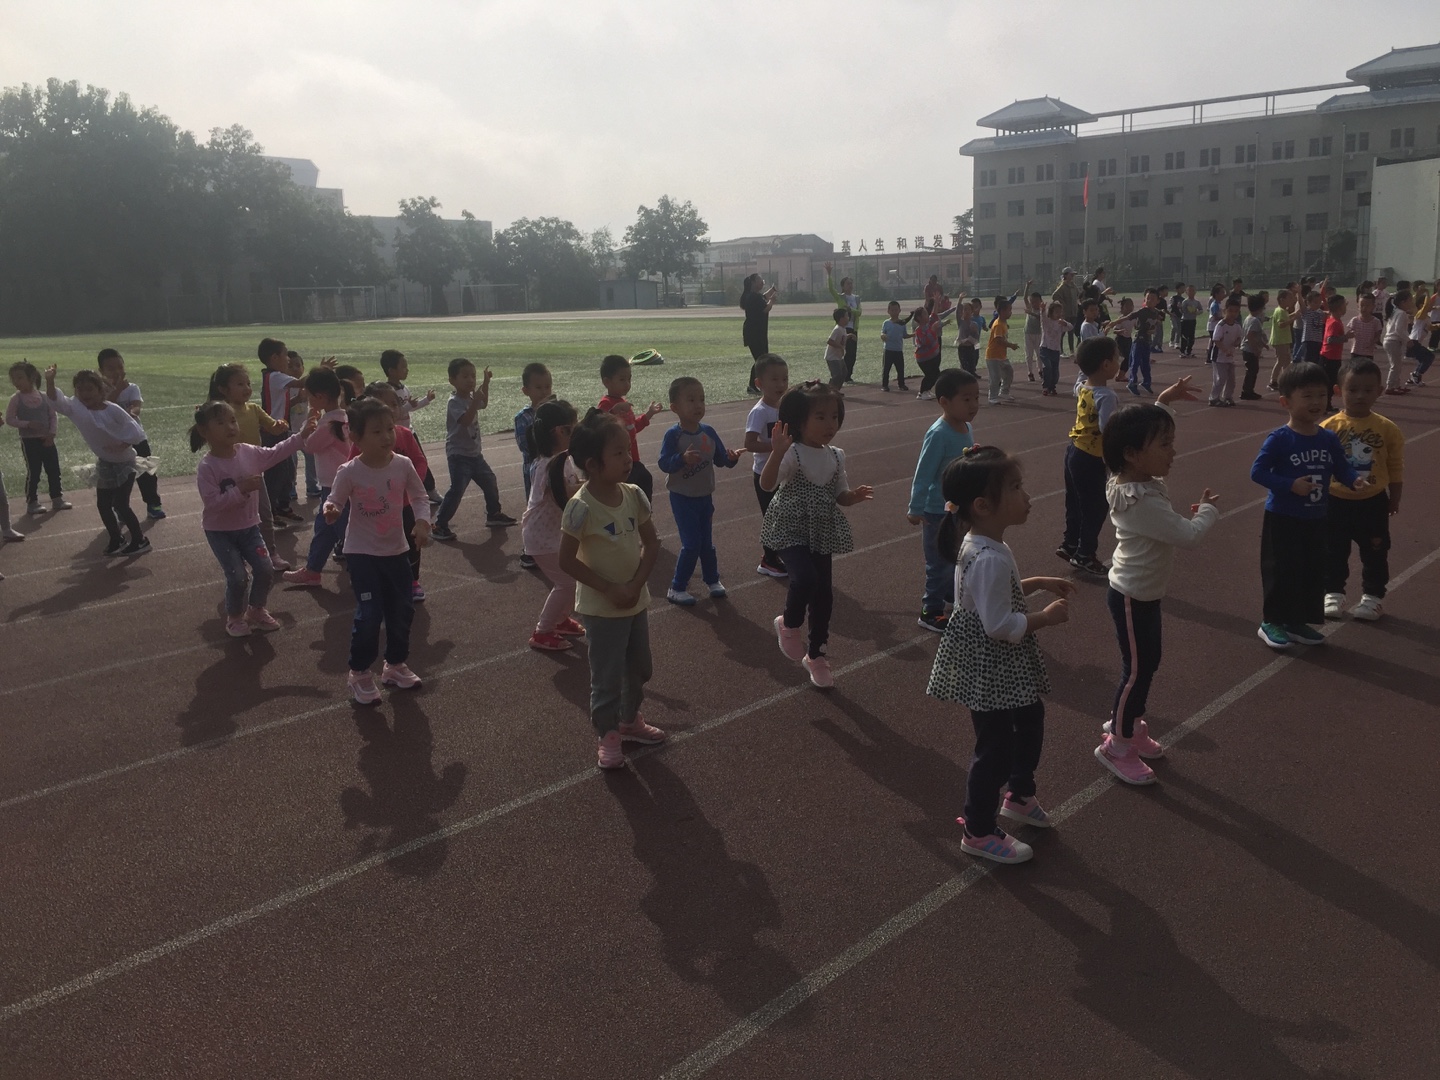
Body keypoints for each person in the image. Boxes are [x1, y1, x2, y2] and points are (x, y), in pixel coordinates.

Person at [924, 446, 1074, 864]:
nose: (1027, 496)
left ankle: (1020, 793)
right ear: (983, 505)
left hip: (996, 662)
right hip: (991, 664)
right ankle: (978, 829)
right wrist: (1045, 618)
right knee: (995, 746)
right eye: (1015, 487)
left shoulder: (982, 543)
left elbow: (990, 596)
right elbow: (999, 625)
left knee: (1029, 717)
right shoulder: (988, 556)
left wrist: (1036, 582)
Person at [1095, 390, 1215, 786]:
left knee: (1146, 664)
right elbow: (1189, 535)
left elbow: (1131, 434)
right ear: (1132, 454)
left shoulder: (1127, 478)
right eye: (1164, 444)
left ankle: (1128, 724)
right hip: (1132, 596)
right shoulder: (1141, 500)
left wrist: (1162, 403)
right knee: (1137, 670)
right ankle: (1117, 744)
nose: (1173, 452)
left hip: (1141, 593)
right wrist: (1208, 512)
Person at [558, 409, 665, 769]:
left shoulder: (634, 495)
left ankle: (629, 720)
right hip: (602, 609)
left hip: (635, 601)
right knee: (606, 677)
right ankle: (608, 735)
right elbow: (566, 560)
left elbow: (652, 543)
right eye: (618, 453)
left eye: (628, 450)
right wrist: (609, 588)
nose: (628, 458)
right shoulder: (580, 507)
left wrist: (635, 585)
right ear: (593, 464)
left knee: (640, 668)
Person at [759, 383, 874, 689]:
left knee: (824, 595)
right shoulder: (793, 453)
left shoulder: (836, 456)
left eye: (834, 416)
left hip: (821, 530)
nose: (830, 424)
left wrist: (853, 497)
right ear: (799, 421)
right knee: (805, 578)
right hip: (789, 527)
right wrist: (776, 453)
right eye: (820, 417)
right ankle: (789, 623)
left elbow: (840, 494)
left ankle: (817, 655)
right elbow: (767, 485)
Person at [1251, 362, 1369, 650]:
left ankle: (1297, 621)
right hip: (1283, 517)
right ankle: (1272, 621)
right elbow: (1258, 472)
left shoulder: (1328, 438)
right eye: (1307, 396)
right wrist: (1290, 485)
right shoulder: (1280, 439)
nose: (1316, 402)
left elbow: (1341, 467)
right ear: (1286, 402)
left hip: (1316, 517)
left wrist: (1354, 480)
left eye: (1321, 395)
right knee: (1282, 569)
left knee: (1311, 569)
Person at [327, 396, 432, 703]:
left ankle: (395, 665)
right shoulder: (349, 471)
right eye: (377, 431)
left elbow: (419, 497)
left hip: (396, 550)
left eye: (390, 428)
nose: (387, 436)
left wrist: (422, 523)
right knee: (370, 613)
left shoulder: (403, 465)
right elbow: (334, 500)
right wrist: (331, 509)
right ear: (355, 437)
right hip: (362, 553)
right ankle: (359, 672)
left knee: (402, 610)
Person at [192, 401, 318, 637]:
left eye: (232, 421)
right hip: (220, 532)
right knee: (237, 576)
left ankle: (256, 609)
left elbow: (277, 452)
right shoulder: (207, 467)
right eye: (221, 423)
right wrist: (240, 489)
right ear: (204, 431)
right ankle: (235, 617)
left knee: (265, 568)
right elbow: (213, 504)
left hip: (249, 527)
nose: (230, 426)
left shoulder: (248, 452)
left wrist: (301, 436)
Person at [1322, 359, 1404, 622]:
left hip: (1372, 502)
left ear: (1379, 391)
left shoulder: (1387, 429)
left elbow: (1395, 466)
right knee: (1333, 550)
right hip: (1335, 501)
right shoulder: (1328, 428)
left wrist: (1395, 498)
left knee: (1375, 552)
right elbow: (1319, 466)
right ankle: (1333, 592)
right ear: (1338, 391)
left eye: (1368, 390)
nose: (1360, 395)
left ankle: (1373, 597)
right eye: (1353, 389)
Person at [44, 365, 150, 557]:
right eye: (80, 389)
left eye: (89, 389)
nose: (85, 394)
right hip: (105, 463)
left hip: (125, 463)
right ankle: (116, 538)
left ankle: (140, 540)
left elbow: (135, 431)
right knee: (103, 504)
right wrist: (50, 380)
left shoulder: (113, 409)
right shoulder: (76, 408)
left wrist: (122, 445)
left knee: (121, 504)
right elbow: (55, 400)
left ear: (100, 390)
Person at [658, 376, 744, 606]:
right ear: (675, 407)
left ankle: (712, 580)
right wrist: (681, 459)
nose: (698, 405)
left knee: (706, 542)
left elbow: (721, 460)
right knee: (692, 543)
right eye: (691, 400)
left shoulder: (708, 432)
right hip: (682, 497)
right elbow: (664, 463)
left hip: (704, 496)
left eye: (702, 399)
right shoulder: (673, 435)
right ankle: (677, 587)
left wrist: (732, 458)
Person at [907, 368, 979, 632]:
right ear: (945, 402)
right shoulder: (938, 434)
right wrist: (915, 507)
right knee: (938, 562)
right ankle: (930, 610)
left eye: (976, 398)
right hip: (936, 511)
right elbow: (924, 472)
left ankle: (950, 594)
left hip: (956, 508)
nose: (974, 405)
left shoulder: (966, 427)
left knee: (957, 554)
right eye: (966, 399)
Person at [208, 362, 293, 569]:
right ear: (223, 389)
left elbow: (272, 427)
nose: (247, 388)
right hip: (229, 475)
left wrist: (280, 425)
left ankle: (270, 552)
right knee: (235, 516)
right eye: (240, 384)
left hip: (253, 472)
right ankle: (238, 555)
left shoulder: (254, 409)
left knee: (264, 514)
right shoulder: (221, 413)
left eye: (248, 383)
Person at [359, 382, 434, 602]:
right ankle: (378, 579)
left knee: (412, 542)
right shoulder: (364, 439)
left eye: (395, 403)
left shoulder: (405, 434)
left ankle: (412, 580)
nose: (391, 409)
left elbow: (419, 460)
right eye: (384, 404)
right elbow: (352, 465)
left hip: (405, 503)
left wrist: (413, 482)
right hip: (376, 505)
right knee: (378, 542)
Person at [521, 400, 585, 651]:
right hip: (540, 537)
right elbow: (567, 493)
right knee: (567, 583)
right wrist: (594, 483)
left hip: (551, 533)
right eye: (573, 428)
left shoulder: (560, 459)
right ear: (560, 431)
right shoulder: (550, 464)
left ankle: (560, 620)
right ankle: (543, 630)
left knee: (572, 580)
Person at [431, 358, 515, 541]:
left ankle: (493, 514)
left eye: (473, 376)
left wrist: (486, 383)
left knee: (490, 481)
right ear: (452, 380)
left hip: (475, 454)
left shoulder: (470, 398)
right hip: (458, 455)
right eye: (465, 376)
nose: (470, 380)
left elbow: (483, 403)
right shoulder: (454, 402)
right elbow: (465, 421)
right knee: (457, 490)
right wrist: (475, 401)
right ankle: (439, 524)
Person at [282, 368, 351, 587]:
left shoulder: (328, 425)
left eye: (310, 395)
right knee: (325, 530)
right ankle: (313, 570)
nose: (308, 399)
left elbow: (309, 445)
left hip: (334, 487)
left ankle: (365, 573)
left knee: (345, 532)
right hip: (338, 485)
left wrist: (309, 421)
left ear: (320, 397)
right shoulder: (344, 418)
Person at [1060, 336, 1121, 575]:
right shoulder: (1106, 396)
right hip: (1090, 458)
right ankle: (1085, 553)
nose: (1119, 362)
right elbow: (1108, 429)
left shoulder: (1082, 386)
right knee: (1095, 507)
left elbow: (1080, 377)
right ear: (1106, 365)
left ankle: (1070, 542)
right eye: (1116, 358)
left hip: (1074, 450)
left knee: (1074, 501)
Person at [96, 349, 163, 520]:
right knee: (118, 477)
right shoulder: (100, 391)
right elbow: (104, 405)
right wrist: (117, 389)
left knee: (146, 471)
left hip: (136, 437)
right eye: (111, 369)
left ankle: (153, 504)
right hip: (114, 441)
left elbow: (136, 406)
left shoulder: (132, 388)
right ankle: (120, 507)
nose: (117, 372)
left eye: (120, 367)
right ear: (101, 371)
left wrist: (131, 412)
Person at [744, 353, 790, 580]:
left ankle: (780, 554)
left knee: (785, 515)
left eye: (785, 378)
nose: (781, 384)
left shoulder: (785, 406)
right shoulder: (760, 412)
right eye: (774, 379)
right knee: (772, 517)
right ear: (759, 383)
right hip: (764, 474)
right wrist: (775, 447)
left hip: (784, 472)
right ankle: (768, 560)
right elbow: (749, 443)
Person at [7, 360, 70, 515]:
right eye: (14, 379)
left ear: (32, 378)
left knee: (53, 470)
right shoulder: (16, 399)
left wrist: (51, 434)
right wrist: (27, 424)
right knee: (34, 471)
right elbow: (10, 419)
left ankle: (57, 498)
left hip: (47, 440)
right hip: (29, 441)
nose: (16, 382)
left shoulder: (44, 396)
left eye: (20, 377)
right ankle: (32, 501)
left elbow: (53, 416)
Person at [596, 352, 663, 501]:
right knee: (626, 491)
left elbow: (633, 427)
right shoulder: (606, 403)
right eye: (622, 379)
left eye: (629, 379)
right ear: (607, 382)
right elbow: (599, 425)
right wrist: (613, 412)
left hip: (633, 458)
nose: (627, 384)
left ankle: (644, 511)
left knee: (644, 479)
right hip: (618, 461)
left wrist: (649, 414)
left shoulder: (624, 404)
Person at [514, 361, 555, 568]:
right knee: (535, 509)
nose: (544, 391)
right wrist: (539, 417)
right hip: (534, 470)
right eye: (538, 387)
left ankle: (553, 546)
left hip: (555, 467)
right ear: (526, 391)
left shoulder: (555, 412)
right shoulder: (523, 417)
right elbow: (527, 447)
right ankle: (529, 551)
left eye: (547, 386)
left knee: (554, 506)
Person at [257, 337, 302, 524]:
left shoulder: (275, 377)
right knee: (276, 472)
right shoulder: (274, 376)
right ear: (274, 358)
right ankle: (270, 510)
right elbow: (301, 382)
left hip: (281, 430)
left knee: (288, 470)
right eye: (285, 355)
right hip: (273, 432)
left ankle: (283, 506)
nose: (288, 359)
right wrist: (322, 371)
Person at [286, 351, 322, 500]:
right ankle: (290, 488)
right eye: (290, 366)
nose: (295, 369)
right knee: (291, 461)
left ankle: (312, 486)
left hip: (306, 429)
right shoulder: (285, 387)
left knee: (311, 456)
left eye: (298, 365)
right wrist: (297, 399)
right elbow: (282, 407)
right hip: (289, 430)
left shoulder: (308, 387)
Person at [912, 303, 960, 400]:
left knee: (935, 375)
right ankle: (922, 392)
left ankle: (927, 390)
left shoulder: (929, 323)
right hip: (923, 358)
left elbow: (934, 314)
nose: (927, 315)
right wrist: (933, 330)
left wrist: (936, 301)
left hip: (932, 356)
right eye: (925, 314)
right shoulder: (919, 330)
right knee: (930, 375)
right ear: (919, 318)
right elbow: (926, 341)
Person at [740, 273, 778, 394]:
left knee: (762, 359)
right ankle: (752, 385)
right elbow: (765, 308)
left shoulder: (753, 296)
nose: (762, 282)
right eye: (760, 280)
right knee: (761, 360)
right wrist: (772, 301)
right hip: (754, 333)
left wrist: (772, 290)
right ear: (753, 283)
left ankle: (756, 385)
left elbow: (764, 297)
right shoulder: (753, 297)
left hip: (757, 332)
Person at [380, 349, 435, 428]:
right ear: (391, 371)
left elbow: (412, 407)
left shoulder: (404, 388)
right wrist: (408, 406)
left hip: (408, 430)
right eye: (403, 367)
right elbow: (392, 414)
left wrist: (427, 399)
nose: (407, 370)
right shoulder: (387, 393)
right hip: (396, 431)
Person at [825, 262, 861, 383]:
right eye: (847, 284)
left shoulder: (856, 298)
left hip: (853, 328)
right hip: (843, 328)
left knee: (852, 353)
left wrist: (851, 310)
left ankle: (848, 375)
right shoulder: (841, 297)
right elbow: (831, 289)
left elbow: (859, 312)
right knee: (843, 352)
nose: (850, 285)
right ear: (843, 286)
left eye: (851, 283)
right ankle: (841, 375)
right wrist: (829, 274)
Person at [1127, 289, 1165, 396]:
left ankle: (1146, 382)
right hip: (1138, 340)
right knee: (1135, 362)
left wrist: (1154, 328)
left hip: (1147, 341)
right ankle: (1132, 383)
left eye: (1153, 299)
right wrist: (1114, 323)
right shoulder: (1142, 311)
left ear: (1157, 301)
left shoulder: (1156, 312)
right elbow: (1128, 317)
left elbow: (1157, 321)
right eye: (1148, 298)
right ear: (1144, 299)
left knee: (1146, 363)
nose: (1150, 301)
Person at [983, 296, 1020, 405]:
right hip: (993, 356)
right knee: (995, 377)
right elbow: (998, 340)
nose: (1011, 312)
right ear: (1003, 311)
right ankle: (992, 396)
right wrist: (1011, 345)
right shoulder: (998, 324)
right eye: (1009, 310)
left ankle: (1004, 392)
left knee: (1008, 372)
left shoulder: (1003, 323)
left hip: (1001, 356)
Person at [1208, 297, 1243, 406]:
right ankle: (1214, 398)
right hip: (1219, 357)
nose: (1233, 314)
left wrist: (1237, 342)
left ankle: (1228, 396)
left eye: (1236, 311)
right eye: (1230, 311)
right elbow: (1216, 340)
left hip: (1230, 357)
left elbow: (1239, 338)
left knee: (1231, 379)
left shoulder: (1237, 326)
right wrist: (1225, 350)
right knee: (1220, 378)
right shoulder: (1221, 325)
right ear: (1225, 311)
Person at [1319, 294, 1349, 411]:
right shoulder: (1334, 322)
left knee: (1331, 381)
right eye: (1344, 305)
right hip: (1329, 357)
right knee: (1330, 382)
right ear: (1339, 308)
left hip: (1332, 356)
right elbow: (1330, 340)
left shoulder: (1333, 319)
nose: (1346, 307)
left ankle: (1327, 404)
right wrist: (1346, 337)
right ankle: (1325, 405)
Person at [1382, 288, 1414, 394]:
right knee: (1395, 366)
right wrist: (1408, 340)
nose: (1411, 303)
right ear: (1403, 302)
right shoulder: (1401, 313)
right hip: (1393, 341)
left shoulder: (1395, 312)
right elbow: (1399, 329)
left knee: (1397, 365)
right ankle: (1390, 387)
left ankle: (1396, 385)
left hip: (1390, 341)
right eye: (1410, 300)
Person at [1037, 302, 1070, 396]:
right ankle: (1045, 386)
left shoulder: (1060, 323)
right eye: (1056, 312)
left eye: (1060, 312)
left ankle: (1052, 386)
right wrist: (1042, 310)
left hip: (1055, 350)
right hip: (1045, 348)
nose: (1059, 314)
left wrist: (1065, 323)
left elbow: (1070, 327)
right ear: (1051, 312)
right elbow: (1043, 318)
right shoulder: (1047, 322)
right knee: (1048, 366)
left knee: (1055, 371)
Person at [1240, 295, 1268, 400]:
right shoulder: (1255, 321)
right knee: (1252, 371)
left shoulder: (1249, 318)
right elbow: (1250, 336)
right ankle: (1247, 391)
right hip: (1249, 350)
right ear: (1260, 308)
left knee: (1252, 370)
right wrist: (1256, 349)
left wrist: (1263, 344)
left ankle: (1248, 390)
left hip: (1247, 349)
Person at [878, 300, 911, 392]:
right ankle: (885, 385)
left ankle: (901, 384)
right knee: (886, 369)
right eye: (892, 310)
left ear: (899, 310)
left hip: (898, 350)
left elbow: (904, 335)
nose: (894, 312)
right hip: (888, 349)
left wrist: (914, 334)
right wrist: (883, 336)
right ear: (888, 311)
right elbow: (882, 333)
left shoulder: (902, 323)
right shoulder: (886, 323)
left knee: (900, 369)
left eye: (896, 310)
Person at [1267, 287, 1294, 390]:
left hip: (1284, 340)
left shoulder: (1283, 311)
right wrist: (1293, 319)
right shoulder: (1281, 311)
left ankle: (1285, 380)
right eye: (1289, 298)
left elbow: (1286, 318)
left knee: (1286, 360)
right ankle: (1273, 381)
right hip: (1280, 340)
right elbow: (1281, 324)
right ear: (1282, 299)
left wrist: (1295, 314)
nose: (1292, 300)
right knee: (1281, 360)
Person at [1052, 267, 1081, 354]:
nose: (1072, 276)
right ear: (1066, 275)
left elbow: (1078, 294)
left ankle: (1072, 350)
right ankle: (1060, 350)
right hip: (1066, 313)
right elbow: (1054, 295)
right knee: (1062, 332)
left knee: (1071, 331)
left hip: (1073, 312)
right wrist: (1062, 303)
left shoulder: (1073, 286)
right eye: (1071, 274)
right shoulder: (1063, 286)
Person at [824, 308, 851, 389]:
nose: (848, 318)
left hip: (839, 357)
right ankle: (829, 390)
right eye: (846, 316)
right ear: (841, 319)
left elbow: (842, 338)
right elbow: (830, 341)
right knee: (837, 375)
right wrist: (840, 347)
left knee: (844, 373)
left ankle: (836, 390)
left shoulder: (843, 329)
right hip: (832, 357)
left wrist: (849, 336)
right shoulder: (837, 329)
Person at [1022, 290, 1044, 382]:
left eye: (1036, 301)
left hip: (1038, 333)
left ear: (1040, 301)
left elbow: (1040, 318)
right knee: (1029, 354)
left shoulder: (1042, 310)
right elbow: (1024, 297)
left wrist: (1031, 313)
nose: (1034, 303)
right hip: (1028, 333)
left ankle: (1040, 370)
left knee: (1039, 354)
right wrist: (1027, 286)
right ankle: (1030, 372)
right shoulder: (1030, 307)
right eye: (1032, 301)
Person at [1179, 284, 1203, 359]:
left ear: (1195, 292)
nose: (1191, 292)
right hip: (1185, 321)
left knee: (1191, 337)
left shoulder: (1196, 302)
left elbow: (1201, 310)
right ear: (1186, 292)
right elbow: (1182, 311)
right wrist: (1182, 309)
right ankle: (1182, 351)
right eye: (1189, 291)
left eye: (1193, 290)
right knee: (1184, 337)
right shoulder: (1185, 302)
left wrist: (1196, 312)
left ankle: (1189, 351)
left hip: (1192, 320)